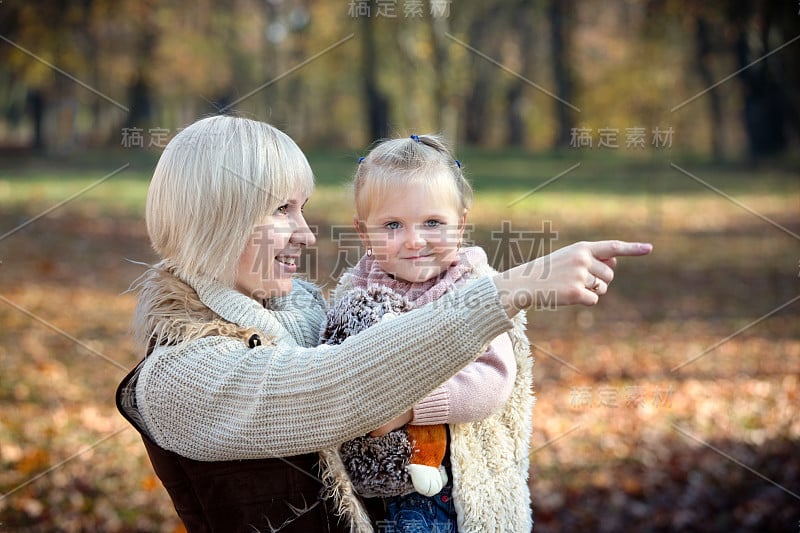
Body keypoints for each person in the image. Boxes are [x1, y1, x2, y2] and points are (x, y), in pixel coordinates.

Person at [115, 115, 653, 533]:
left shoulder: (303, 310)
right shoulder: (179, 378)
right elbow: (335, 387)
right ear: (220, 215)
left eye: (302, 209)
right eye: (283, 209)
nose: (306, 235)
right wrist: (507, 289)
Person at [319, 133, 532, 533]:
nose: (415, 240)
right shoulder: (355, 295)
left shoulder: (473, 290)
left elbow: (493, 378)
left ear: (461, 224)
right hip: (372, 490)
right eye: (393, 225)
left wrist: (410, 407)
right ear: (364, 233)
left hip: (449, 493)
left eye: (433, 223)